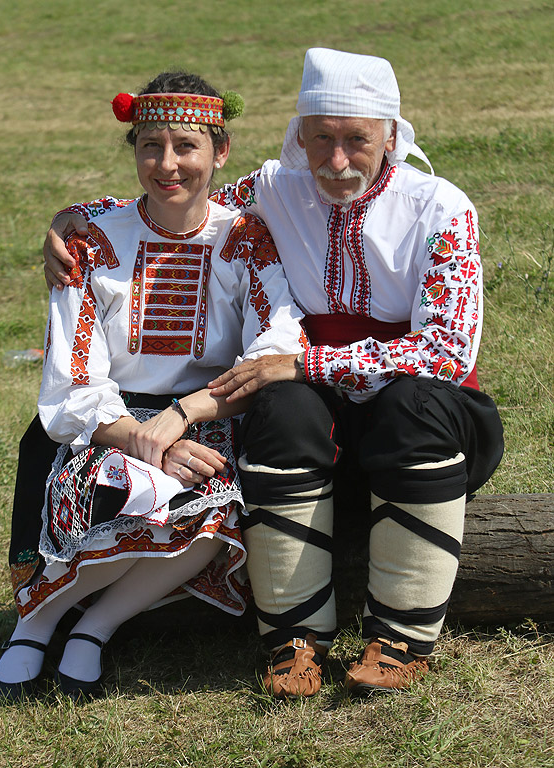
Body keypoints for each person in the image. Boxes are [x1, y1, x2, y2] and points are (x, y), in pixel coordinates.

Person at [43, 49, 504, 699]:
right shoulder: (271, 187)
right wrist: (77, 219)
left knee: (407, 405)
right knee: (280, 408)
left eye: (357, 141)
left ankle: (403, 635)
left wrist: (305, 361)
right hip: (318, 408)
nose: (337, 159)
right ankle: (292, 638)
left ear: (391, 137)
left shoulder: (440, 208)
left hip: (423, 412)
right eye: (321, 138)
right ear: (299, 135)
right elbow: (177, 200)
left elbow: (447, 350)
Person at [0, 69, 305, 703]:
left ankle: (97, 628)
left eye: (187, 146)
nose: (168, 165)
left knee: (214, 510)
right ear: (132, 150)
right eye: (149, 147)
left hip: (205, 417)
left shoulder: (245, 239)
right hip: (103, 424)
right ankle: (37, 620)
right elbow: (71, 380)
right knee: (132, 486)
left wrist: (184, 417)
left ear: (220, 152)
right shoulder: (94, 240)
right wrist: (139, 436)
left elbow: (272, 348)